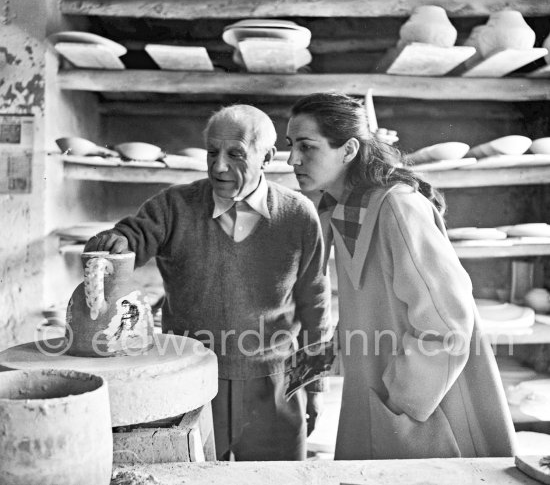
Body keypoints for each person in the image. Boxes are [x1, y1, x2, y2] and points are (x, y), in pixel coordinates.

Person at [85, 104, 332, 461]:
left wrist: (316, 384)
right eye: (212, 153)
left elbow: (315, 302)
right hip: (189, 381)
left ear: (267, 157)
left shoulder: (298, 215)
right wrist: (117, 243)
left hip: (274, 386)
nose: (219, 166)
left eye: (235, 154)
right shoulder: (174, 206)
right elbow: (133, 236)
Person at [285, 92, 516, 460]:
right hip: (381, 397)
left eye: (307, 147)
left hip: (425, 410)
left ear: (348, 151)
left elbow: (448, 324)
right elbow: (377, 303)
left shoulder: (398, 207)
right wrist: (335, 345)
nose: (293, 159)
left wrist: (400, 403)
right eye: (290, 145)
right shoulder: (342, 207)